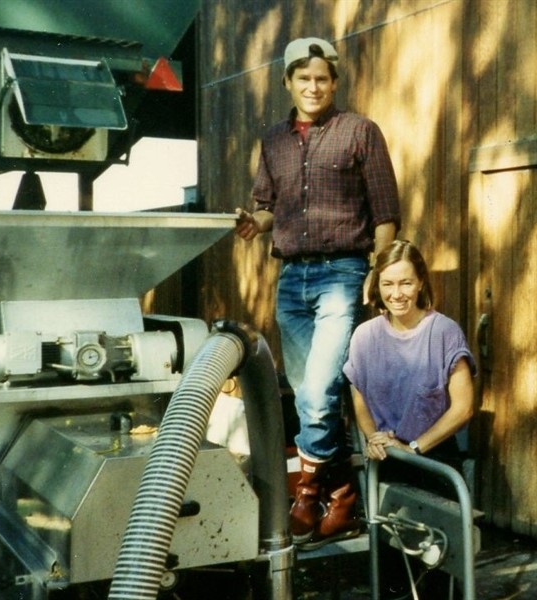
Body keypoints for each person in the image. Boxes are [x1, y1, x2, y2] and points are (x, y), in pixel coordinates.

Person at [235, 37, 401, 548]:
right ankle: (342, 489)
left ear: (334, 82)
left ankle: (308, 493)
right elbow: (267, 207)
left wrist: (374, 268)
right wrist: (252, 223)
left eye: (322, 78)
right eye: (303, 78)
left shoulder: (360, 132)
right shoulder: (274, 141)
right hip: (291, 282)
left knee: (316, 391)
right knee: (313, 394)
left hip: (341, 274)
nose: (313, 86)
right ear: (287, 82)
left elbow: (386, 213)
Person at [343, 239, 476, 598]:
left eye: (405, 283)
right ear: (377, 286)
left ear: (420, 283)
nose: (397, 293)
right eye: (388, 284)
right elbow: (359, 395)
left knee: (437, 573)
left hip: (433, 462)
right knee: (391, 573)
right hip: (387, 465)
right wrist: (372, 437)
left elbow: (463, 407)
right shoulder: (364, 336)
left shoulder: (444, 331)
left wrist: (414, 447)